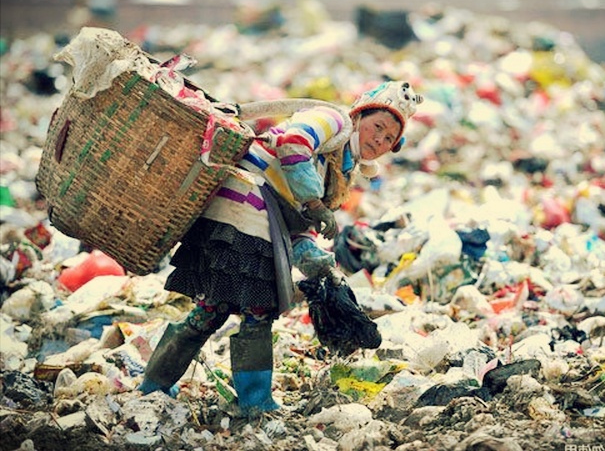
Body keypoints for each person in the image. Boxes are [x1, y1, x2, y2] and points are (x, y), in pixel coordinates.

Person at [138, 81, 423, 415]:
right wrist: (313, 200)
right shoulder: (333, 121)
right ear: (359, 117)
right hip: (244, 208)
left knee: (211, 310)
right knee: (257, 312)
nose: (379, 139)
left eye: (389, 138)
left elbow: (299, 224)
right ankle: (255, 404)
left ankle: (154, 387)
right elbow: (293, 142)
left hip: (254, 218)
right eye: (378, 127)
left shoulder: (342, 167)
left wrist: (322, 267)